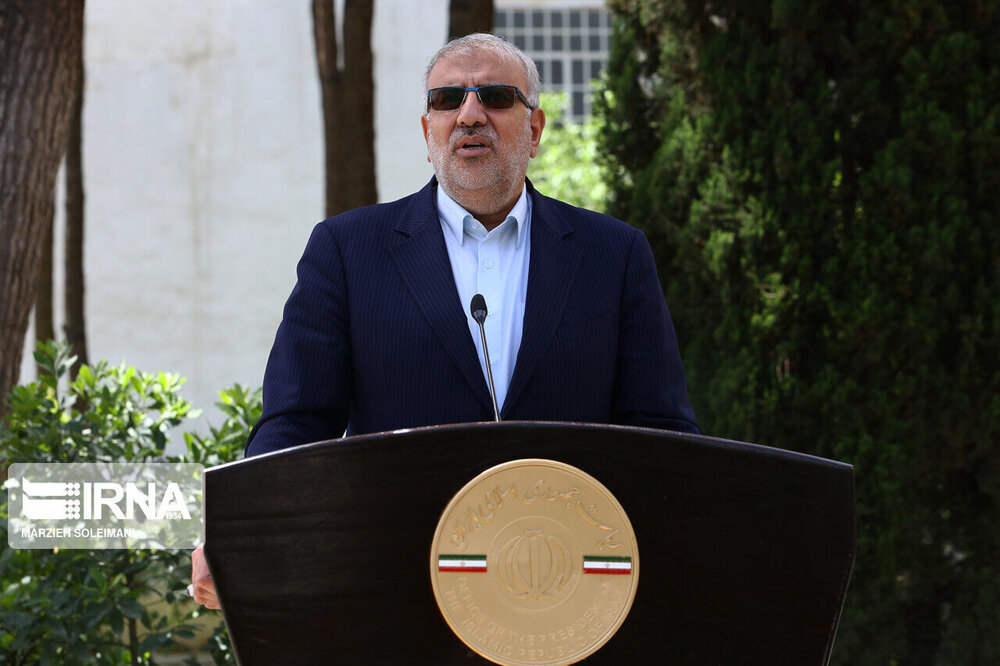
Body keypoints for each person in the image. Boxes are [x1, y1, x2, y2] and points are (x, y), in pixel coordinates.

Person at [190, 33, 699, 609]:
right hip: (400, 589)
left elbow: (660, 432)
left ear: (535, 129)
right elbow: (297, 421)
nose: (469, 114)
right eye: (447, 99)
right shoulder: (348, 251)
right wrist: (241, 528)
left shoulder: (613, 254)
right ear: (426, 131)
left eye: (496, 96)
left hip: (566, 595)